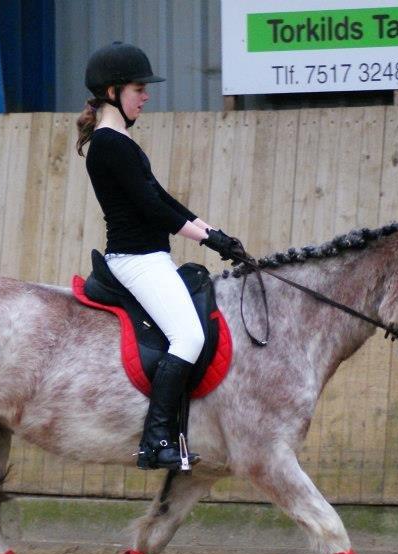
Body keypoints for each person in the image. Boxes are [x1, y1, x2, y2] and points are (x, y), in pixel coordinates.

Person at [76, 41, 245, 471]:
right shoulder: (110, 144)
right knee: (188, 337)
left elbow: (160, 198)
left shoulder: (121, 141)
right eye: (138, 88)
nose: (145, 95)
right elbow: (153, 209)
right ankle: (156, 440)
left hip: (149, 257)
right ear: (113, 91)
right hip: (136, 260)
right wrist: (209, 240)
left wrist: (215, 233)